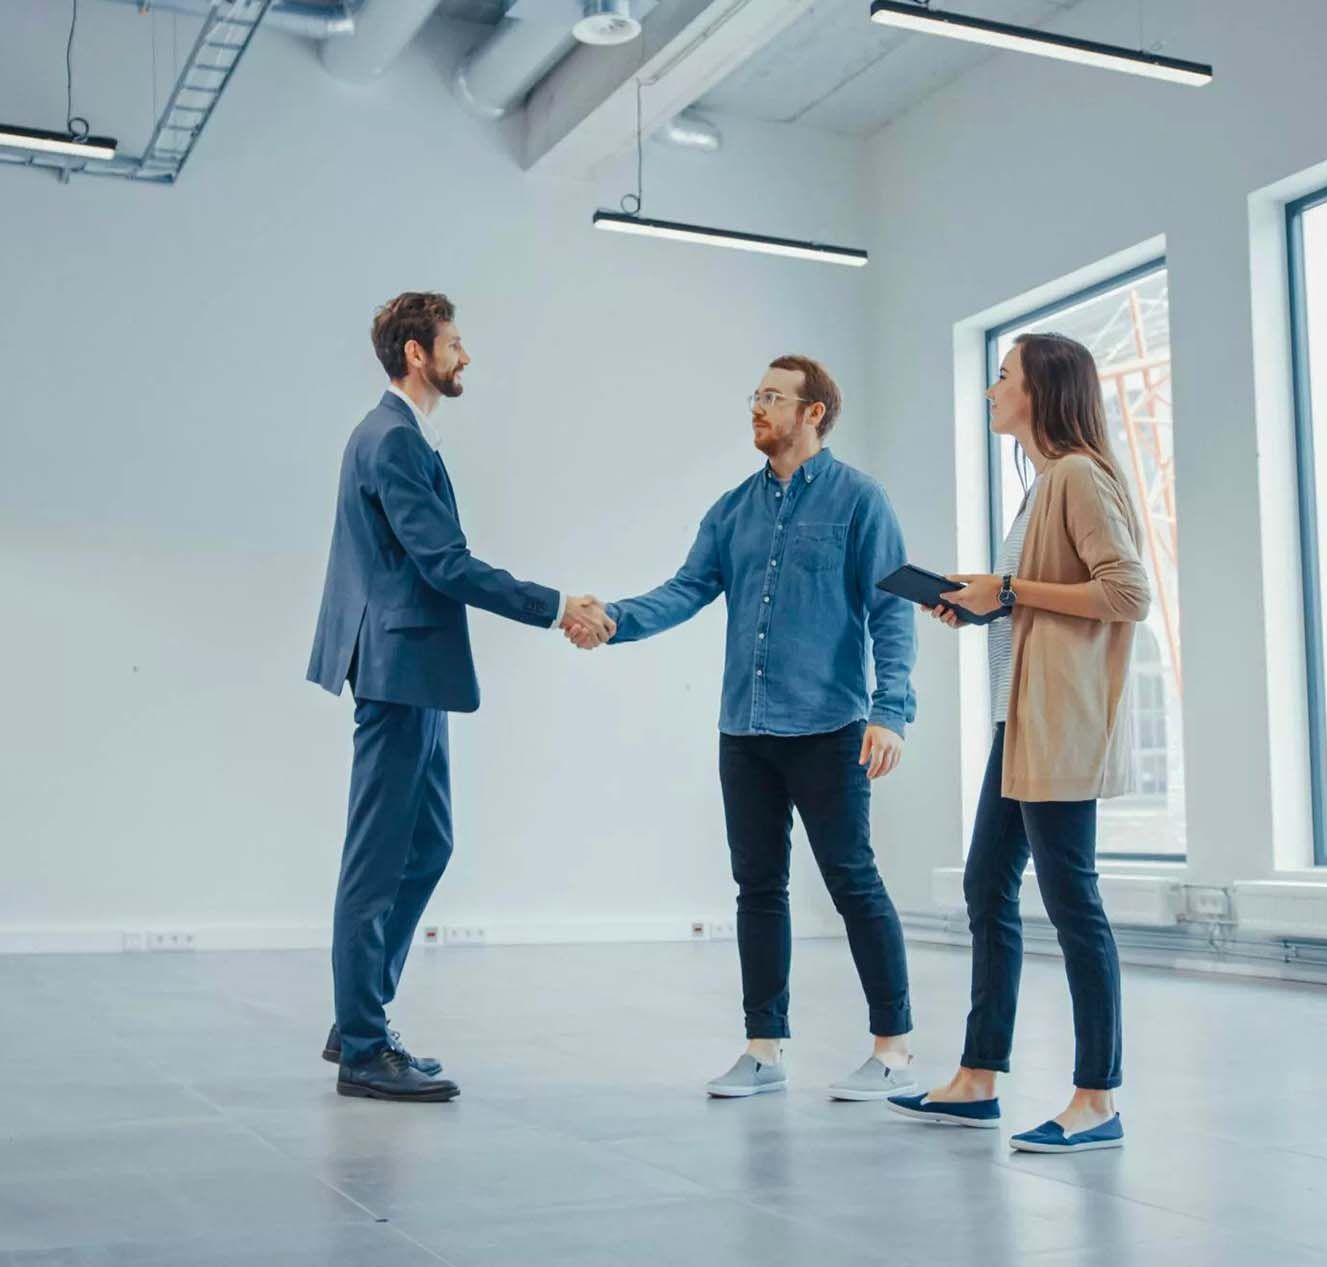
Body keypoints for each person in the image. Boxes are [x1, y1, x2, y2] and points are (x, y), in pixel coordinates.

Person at [577, 356, 919, 1100]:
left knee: (851, 880)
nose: (757, 409)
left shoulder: (861, 501)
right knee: (757, 886)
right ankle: (763, 1047)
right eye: (755, 397)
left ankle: (892, 1050)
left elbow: (893, 608)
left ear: (814, 412)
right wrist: (614, 620)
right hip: (746, 729)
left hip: (830, 726)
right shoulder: (732, 508)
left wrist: (891, 711)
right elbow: (686, 588)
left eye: (772, 398)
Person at [307, 291, 614, 1102]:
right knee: (376, 862)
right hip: (396, 670)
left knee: (427, 845)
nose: (464, 354)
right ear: (417, 352)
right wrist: (555, 605)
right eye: (453, 341)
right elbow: (444, 562)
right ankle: (365, 1045)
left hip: (412, 672)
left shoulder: (398, 436)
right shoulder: (393, 440)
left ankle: (357, 1014)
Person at [887, 332, 1150, 1152]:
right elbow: (1049, 598)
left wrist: (1005, 588)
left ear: (1038, 390)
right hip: (1020, 717)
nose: (992, 390)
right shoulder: (1041, 487)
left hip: (1056, 723)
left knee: (1073, 903)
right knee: (985, 888)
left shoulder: (1074, 475)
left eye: (1002, 378)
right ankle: (977, 1078)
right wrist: (981, 602)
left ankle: (1097, 1100)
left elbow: (1126, 590)